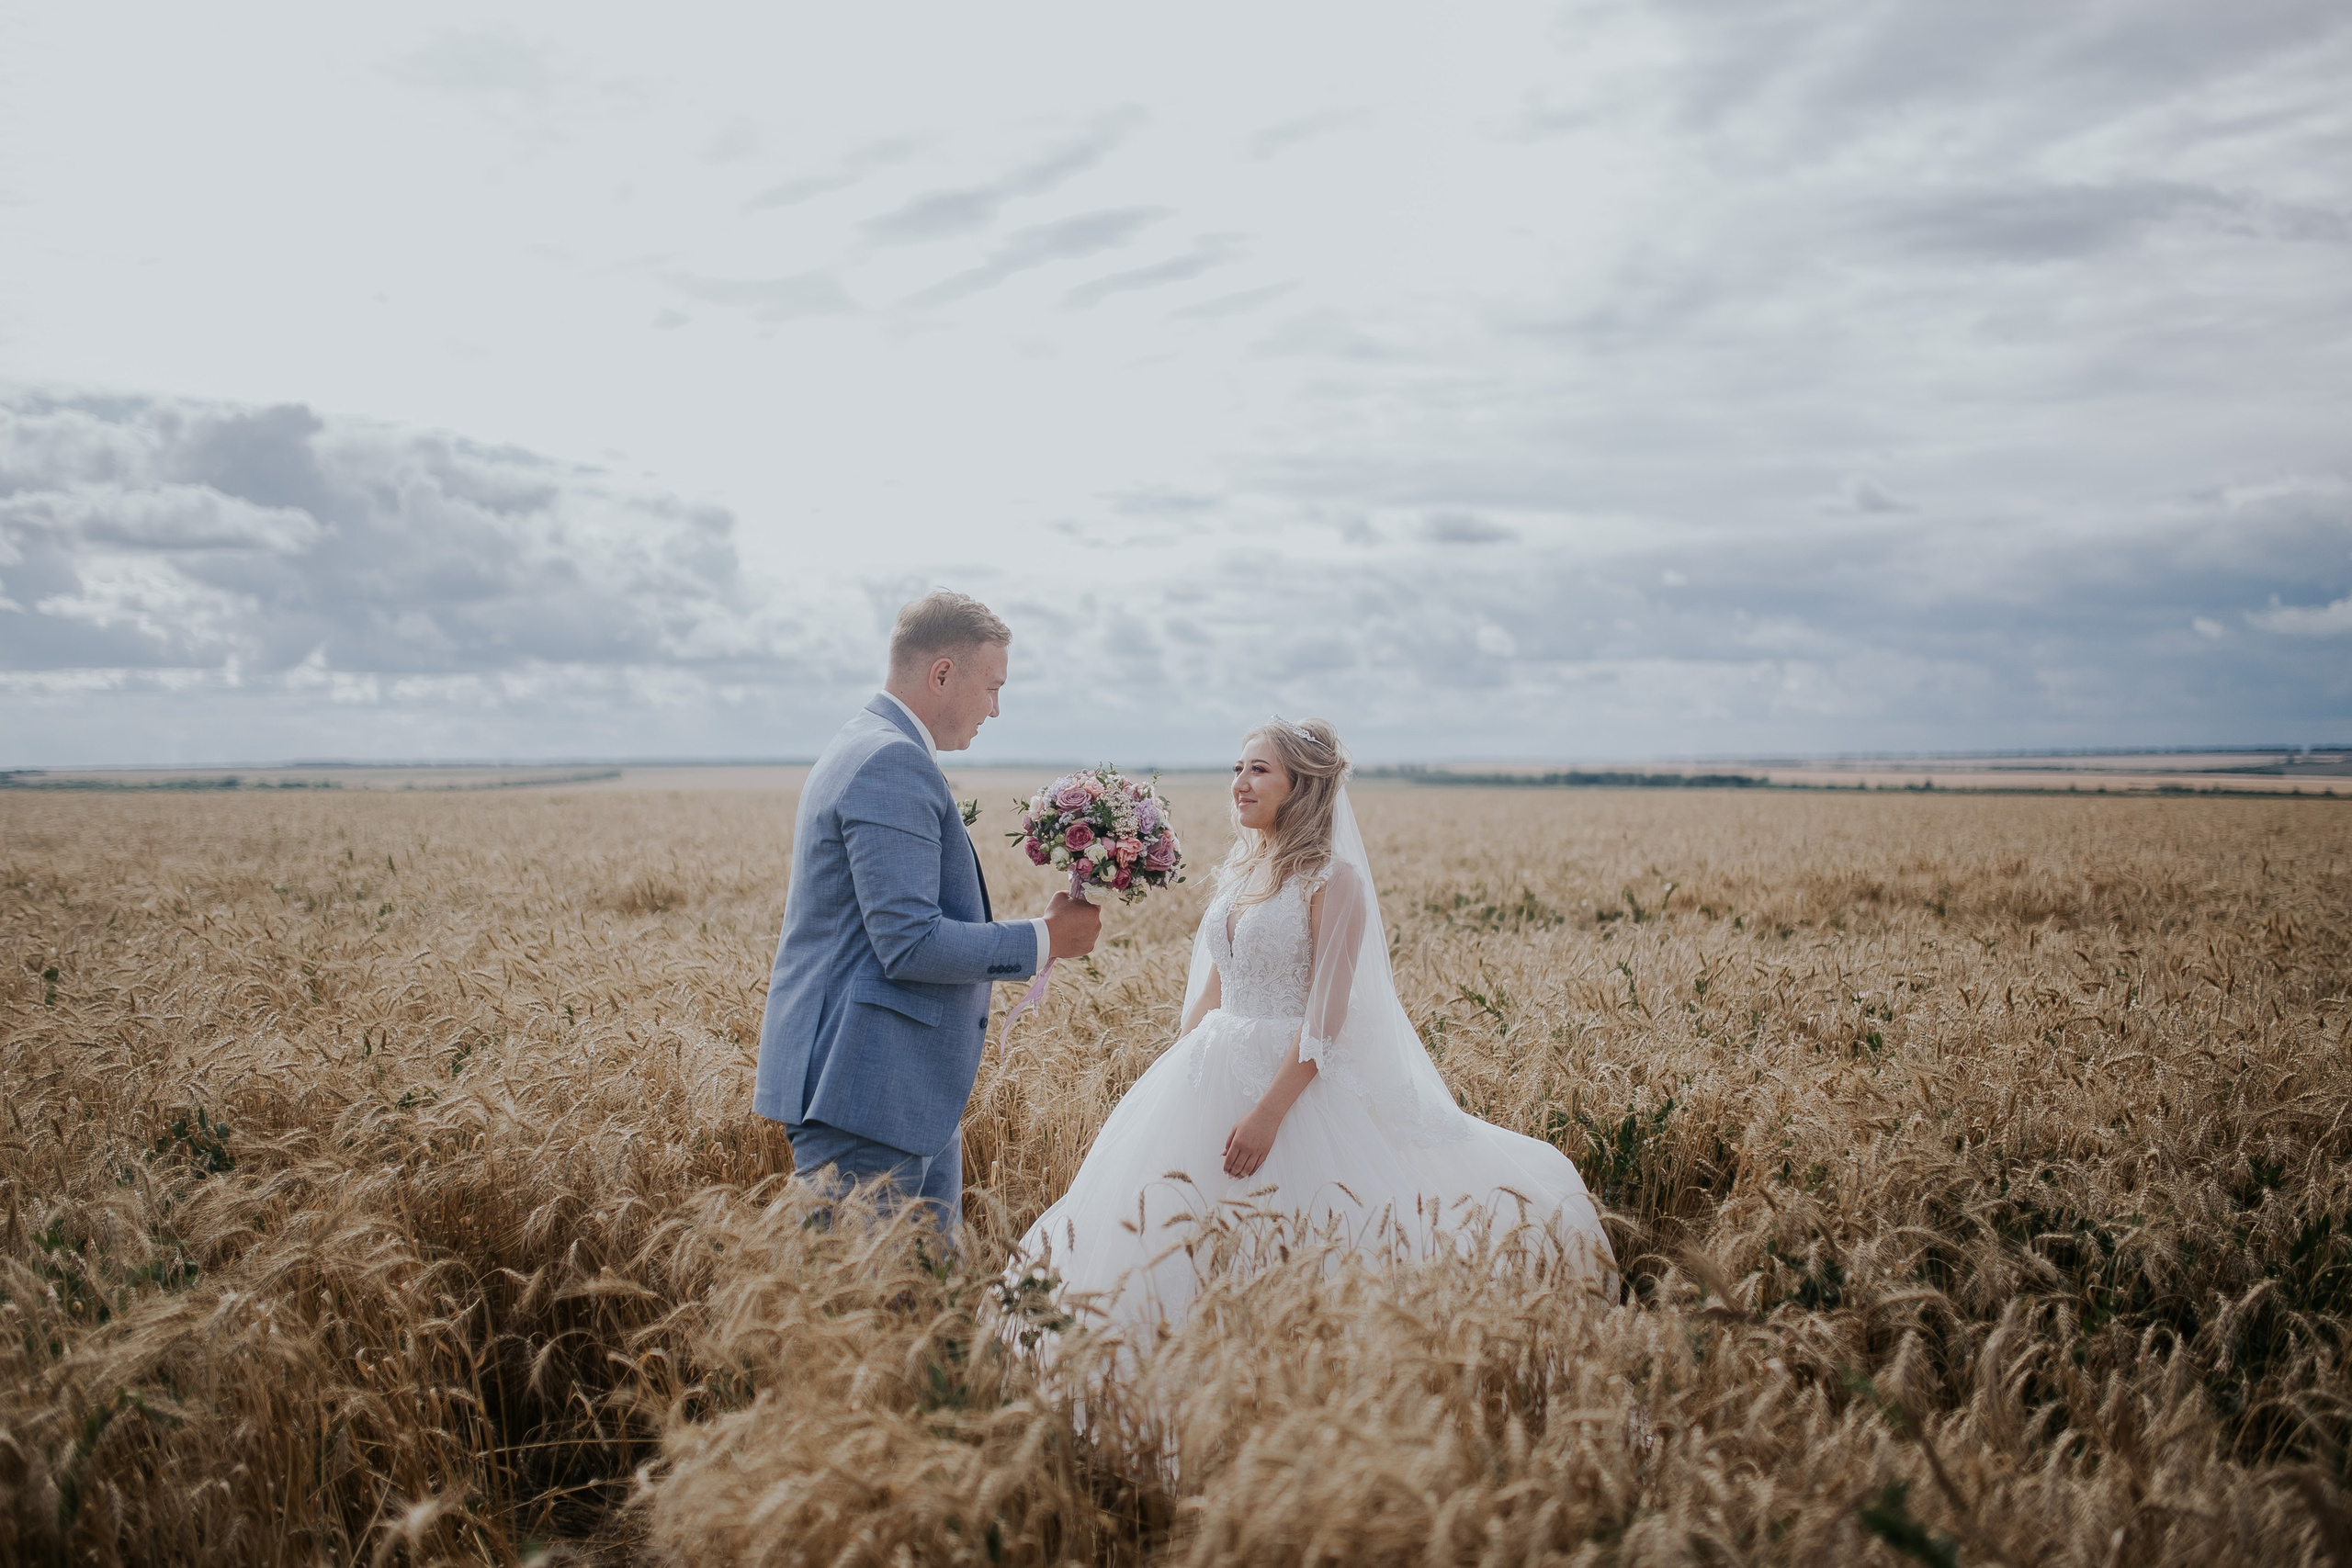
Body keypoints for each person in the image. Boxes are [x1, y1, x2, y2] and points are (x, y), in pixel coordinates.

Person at [1009, 716, 1615, 1331]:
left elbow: (1326, 1017)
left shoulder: (1333, 879)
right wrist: (1175, 1069)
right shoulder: (1242, 872)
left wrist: (1269, 1113)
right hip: (1212, 1070)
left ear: (1302, 786)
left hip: (1290, 1080)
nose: (1241, 782)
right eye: (1238, 768)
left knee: (1303, 1235)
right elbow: (1221, 983)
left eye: (1259, 769)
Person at [753, 591, 1101, 1227]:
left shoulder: (863, 744)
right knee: (874, 1313)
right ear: (942, 673)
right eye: (992, 687)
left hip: (886, 1092)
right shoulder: (891, 761)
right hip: (867, 1094)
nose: (996, 709)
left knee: (920, 1308)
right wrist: (1046, 938)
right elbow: (910, 942)